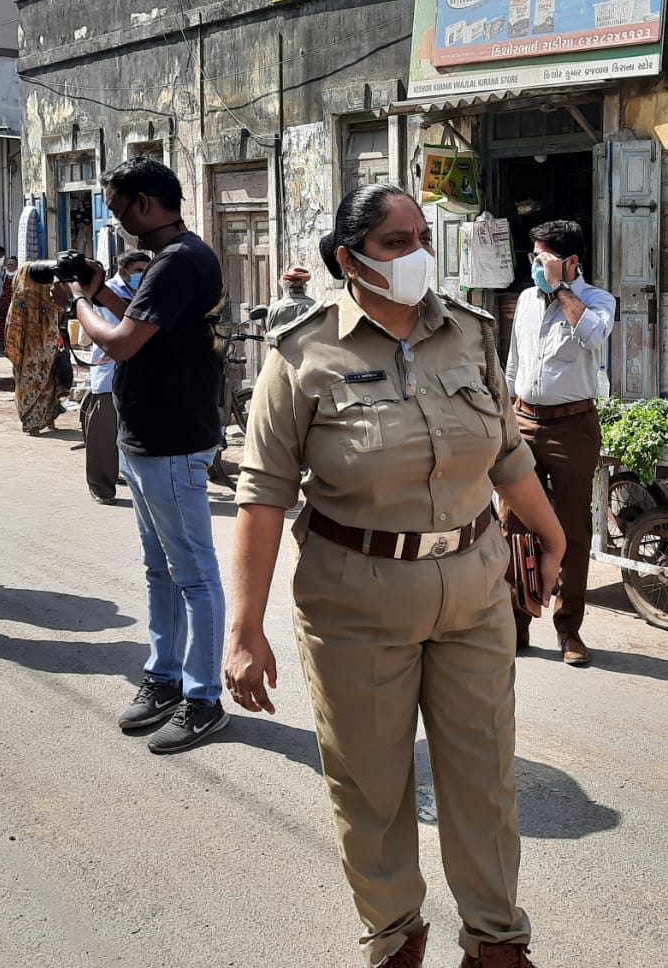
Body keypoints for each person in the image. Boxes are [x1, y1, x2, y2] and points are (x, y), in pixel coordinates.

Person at [225, 183, 565, 968]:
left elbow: (507, 452)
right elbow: (264, 495)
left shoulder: (471, 334)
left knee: (484, 783)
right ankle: (394, 935)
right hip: (357, 600)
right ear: (349, 260)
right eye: (394, 244)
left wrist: (550, 536)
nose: (416, 256)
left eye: (422, 238)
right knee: (372, 791)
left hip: (476, 591)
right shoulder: (302, 354)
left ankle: (495, 942)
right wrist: (244, 631)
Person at [54, 158, 228, 755]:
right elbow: (140, 313)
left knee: (195, 575)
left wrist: (80, 304)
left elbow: (124, 340)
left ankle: (204, 698)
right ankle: (164, 677)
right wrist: (101, 288)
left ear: (149, 203)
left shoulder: (181, 261)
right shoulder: (173, 261)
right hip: (149, 436)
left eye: (122, 206)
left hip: (173, 440)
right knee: (161, 570)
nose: (118, 218)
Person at [502, 219, 615, 666]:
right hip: (524, 423)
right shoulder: (527, 300)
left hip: (573, 428)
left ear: (570, 262)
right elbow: (514, 360)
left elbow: (594, 336)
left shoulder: (596, 301)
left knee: (571, 531)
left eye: (543, 258)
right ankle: (517, 623)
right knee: (516, 526)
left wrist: (560, 290)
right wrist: (507, 417)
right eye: (533, 257)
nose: (534, 265)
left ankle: (569, 630)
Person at [80, 250, 150, 505]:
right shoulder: (106, 293)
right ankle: (101, 487)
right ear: (124, 271)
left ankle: (128, 475)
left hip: (140, 372)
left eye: (145, 270)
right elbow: (119, 327)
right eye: (138, 270)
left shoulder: (146, 290)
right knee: (104, 431)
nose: (141, 275)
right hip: (110, 370)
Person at [5, 265, 67, 435]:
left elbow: (12, 327)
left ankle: (34, 423)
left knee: (30, 383)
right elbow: (60, 314)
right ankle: (46, 420)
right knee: (48, 380)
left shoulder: (21, 297)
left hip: (29, 350)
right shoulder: (52, 295)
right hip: (47, 346)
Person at [264, 265, 315, 336]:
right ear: (304, 288)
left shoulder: (274, 308)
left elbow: (270, 334)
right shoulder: (315, 306)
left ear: (285, 287)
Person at [0, 256, 18, 347]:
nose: (10, 266)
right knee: (3, 324)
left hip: (14, 305)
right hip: (4, 304)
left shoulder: (18, 275)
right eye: (8, 264)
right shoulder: (4, 275)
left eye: (12, 264)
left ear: (16, 265)